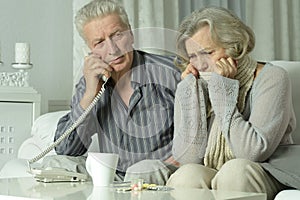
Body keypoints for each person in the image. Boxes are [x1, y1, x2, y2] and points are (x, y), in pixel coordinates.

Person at [166, 7, 297, 200]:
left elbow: (252, 151)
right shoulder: (192, 84)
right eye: (193, 56)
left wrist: (223, 91)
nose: (200, 64)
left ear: (233, 45)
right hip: (213, 170)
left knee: (234, 171)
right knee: (186, 176)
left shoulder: (272, 77)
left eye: (208, 52)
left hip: (264, 170)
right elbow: (188, 158)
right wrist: (189, 94)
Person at [54, 0, 181, 184]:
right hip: (114, 178)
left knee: (141, 171)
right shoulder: (90, 83)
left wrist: (177, 161)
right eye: (99, 42)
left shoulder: (172, 72)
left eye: (117, 35)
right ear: (89, 49)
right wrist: (90, 94)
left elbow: (203, 133)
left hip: (163, 174)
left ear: (131, 34)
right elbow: (67, 149)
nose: (113, 49)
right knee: (56, 163)